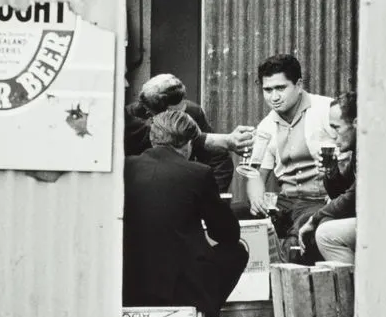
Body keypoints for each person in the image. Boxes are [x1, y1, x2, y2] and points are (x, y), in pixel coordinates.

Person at [123, 110, 249, 317]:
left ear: (153, 138)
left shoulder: (126, 166)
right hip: (180, 289)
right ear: (189, 144)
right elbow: (227, 235)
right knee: (236, 252)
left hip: (130, 282)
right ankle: (203, 315)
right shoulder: (198, 173)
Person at [234, 54, 338, 265]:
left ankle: (285, 293)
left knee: (295, 238)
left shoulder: (326, 110)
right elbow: (256, 174)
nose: (274, 97)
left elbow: (353, 152)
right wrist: (256, 199)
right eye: (268, 90)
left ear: (298, 85)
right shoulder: (266, 126)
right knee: (231, 215)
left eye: (281, 88)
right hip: (286, 201)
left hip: (319, 200)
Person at [124, 73, 240, 191]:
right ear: (153, 112)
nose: (181, 117)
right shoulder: (129, 121)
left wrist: (210, 196)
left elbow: (218, 158)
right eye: (174, 113)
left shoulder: (192, 112)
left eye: (182, 110)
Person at [300, 91, 358, 264]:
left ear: (356, 123)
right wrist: (331, 171)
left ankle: (353, 288)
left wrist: (315, 218)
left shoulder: (370, 151)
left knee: (326, 234)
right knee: (321, 222)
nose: (333, 135)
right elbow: (340, 192)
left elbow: (352, 197)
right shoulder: (357, 151)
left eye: (336, 127)